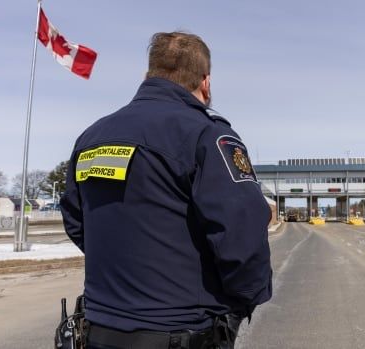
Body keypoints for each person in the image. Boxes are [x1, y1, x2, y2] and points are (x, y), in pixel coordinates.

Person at [60, 32, 273, 349]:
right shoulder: (206, 135)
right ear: (205, 82)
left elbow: (78, 221)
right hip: (181, 332)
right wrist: (242, 303)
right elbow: (241, 233)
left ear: (149, 74)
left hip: (99, 332)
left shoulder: (93, 136)